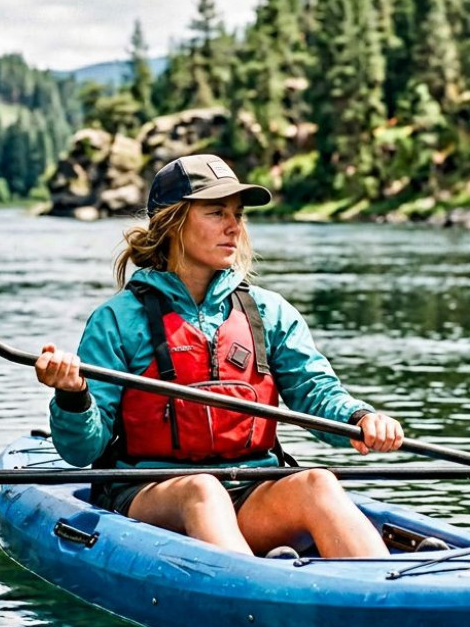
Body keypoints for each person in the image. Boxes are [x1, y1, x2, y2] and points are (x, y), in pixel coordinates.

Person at [35, 154, 404, 559]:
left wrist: (359, 418)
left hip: (249, 488)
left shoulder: (269, 312)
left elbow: (315, 391)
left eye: (238, 214)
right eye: (216, 212)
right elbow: (82, 450)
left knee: (317, 482)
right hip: (150, 497)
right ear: (172, 223)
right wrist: (73, 395)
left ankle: (389, 599)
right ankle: (257, 597)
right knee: (202, 489)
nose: (234, 226)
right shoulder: (118, 320)